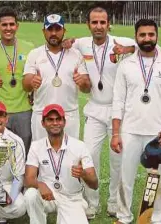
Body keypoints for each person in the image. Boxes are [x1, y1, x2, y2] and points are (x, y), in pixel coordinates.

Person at [66, 6, 136, 219]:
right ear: (88, 25)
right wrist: (67, 42)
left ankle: (114, 201)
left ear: (108, 24)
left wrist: (128, 51)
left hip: (119, 112)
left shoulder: (119, 42)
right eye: (94, 22)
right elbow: (67, 42)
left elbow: (145, 44)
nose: (99, 26)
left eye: (102, 22)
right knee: (89, 157)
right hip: (95, 109)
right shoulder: (82, 44)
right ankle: (91, 202)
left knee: (118, 160)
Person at [110, 19, 161, 224]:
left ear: (156, 36)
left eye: (151, 34)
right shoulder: (126, 65)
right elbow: (118, 101)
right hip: (130, 131)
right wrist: (116, 133)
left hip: (158, 133)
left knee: (158, 180)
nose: (147, 39)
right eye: (142, 35)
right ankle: (124, 217)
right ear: (136, 37)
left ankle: (155, 218)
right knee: (126, 179)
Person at [24, 104, 98, 224]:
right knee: (30, 195)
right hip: (48, 195)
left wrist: (83, 174)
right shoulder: (36, 146)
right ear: (43, 123)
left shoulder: (79, 146)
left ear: (64, 122)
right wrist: (40, 184)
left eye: (58, 119)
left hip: (72, 198)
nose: (55, 123)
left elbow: (95, 184)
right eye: (50, 119)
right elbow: (28, 179)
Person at [23, 14, 91, 141]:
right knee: (42, 156)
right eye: (50, 29)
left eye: (57, 29)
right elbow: (25, 85)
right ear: (44, 31)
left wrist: (83, 82)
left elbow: (87, 88)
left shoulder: (75, 54)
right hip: (42, 116)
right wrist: (31, 82)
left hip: (68, 115)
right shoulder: (35, 54)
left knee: (70, 156)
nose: (53, 33)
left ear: (64, 31)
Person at [0, 6, 34, 154]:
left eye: (11, 24)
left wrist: (34, 93)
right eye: (4, 25)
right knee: (0, 151)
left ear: (17, 26)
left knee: (24, 150)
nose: (8, 28)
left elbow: (35, 76)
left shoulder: (29, 48)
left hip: (24, 110)